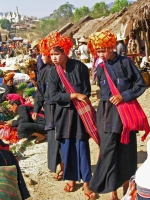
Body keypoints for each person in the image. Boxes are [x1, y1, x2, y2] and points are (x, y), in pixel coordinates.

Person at [87, 30, 147, 200]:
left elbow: (140, 85)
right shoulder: (100, 68)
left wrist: (124, 96)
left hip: (125, 113)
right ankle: (105, 188)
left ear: (112, 46)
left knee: (126, 152)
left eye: (104, 50)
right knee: (107, 150)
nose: (101, 54)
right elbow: (102, 92)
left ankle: (127, 190)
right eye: (98, 51)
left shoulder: (125, 63)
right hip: (106, 114)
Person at [47, 32, 98, 199]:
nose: (54, 58)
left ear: (65, 52)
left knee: (82, 147)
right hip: (63, 117)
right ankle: (71, 178)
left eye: (57, 54)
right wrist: (73, 96)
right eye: (51, 54)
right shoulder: (53, 72)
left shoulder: (80, 67)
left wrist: (79, 96)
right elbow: (53, 96)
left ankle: (86, 183)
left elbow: (86, 91)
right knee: (67, 148)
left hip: (80, 116)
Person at [32, 37, 63, 175]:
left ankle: (64, 167)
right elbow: (40, 92)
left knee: (62, 136)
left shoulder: (61, 70)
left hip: (61, 108)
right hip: (48, 109)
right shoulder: (43, 72)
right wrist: (36, 109)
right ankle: (55, 166)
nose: (42, 57)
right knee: (52, 137)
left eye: (44, 54)